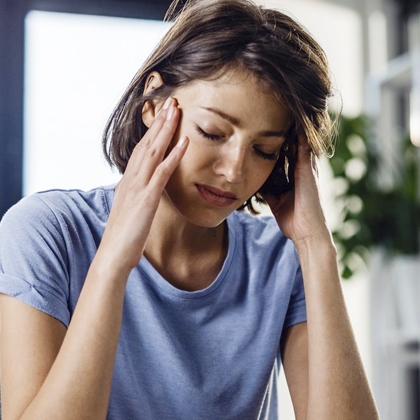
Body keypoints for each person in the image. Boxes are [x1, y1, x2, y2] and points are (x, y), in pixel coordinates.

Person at [0, 0, 379, 419]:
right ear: (154, 105)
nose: (235, 171)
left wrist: (315, 248)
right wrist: (112, 261)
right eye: (212, 132)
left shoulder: (279, 260)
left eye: (264, 150)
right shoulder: (44, 232)